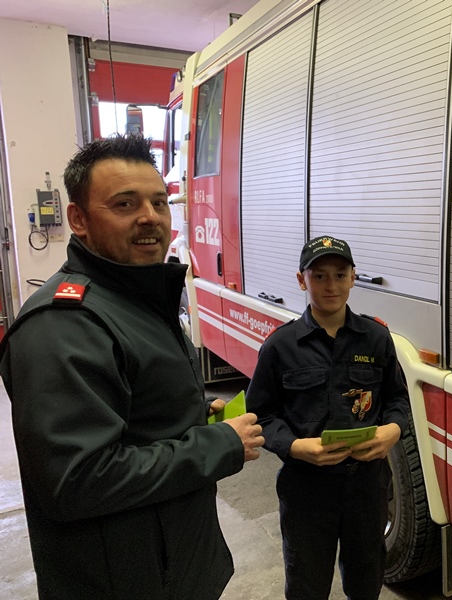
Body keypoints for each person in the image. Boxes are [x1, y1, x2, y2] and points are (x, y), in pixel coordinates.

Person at [0, 135, 264, 599]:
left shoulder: (133, 298)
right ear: (78, 219)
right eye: (125, 204)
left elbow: (134, 402)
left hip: (173, 566)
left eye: (159, 202)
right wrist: (219, 445)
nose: (150, 217)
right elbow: (76, 479)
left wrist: (189, 411)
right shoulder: (64, 325)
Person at [246, 235, 409, 600]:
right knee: (307, 584)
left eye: (339, 274)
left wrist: (393, 430)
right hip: (306, 489)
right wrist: (295, 447)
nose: (330, 285)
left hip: (366, 487)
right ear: (301, 280)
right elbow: (260, 416)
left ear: (353, 277)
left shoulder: (377, 338)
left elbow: (397, 399)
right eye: (319, 276)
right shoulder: (280, 346)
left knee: (366, 581)